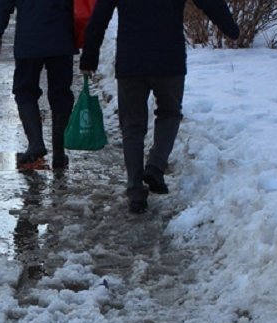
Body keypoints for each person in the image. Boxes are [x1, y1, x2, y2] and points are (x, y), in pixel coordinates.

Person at [80, 0, 239, 213]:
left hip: (131, 61)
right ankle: (155, 165)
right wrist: (230, 28)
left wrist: (90, 55)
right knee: (170, 113)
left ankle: (135, 191)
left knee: (132, 126)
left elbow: (100, 16)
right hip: (169, 60)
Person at [0, 0, 77, 170]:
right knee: (61, 93)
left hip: (29, 38)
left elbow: (3, 5)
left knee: (25, 90)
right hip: (62, 36)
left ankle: (35, 143)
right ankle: (59, 151)